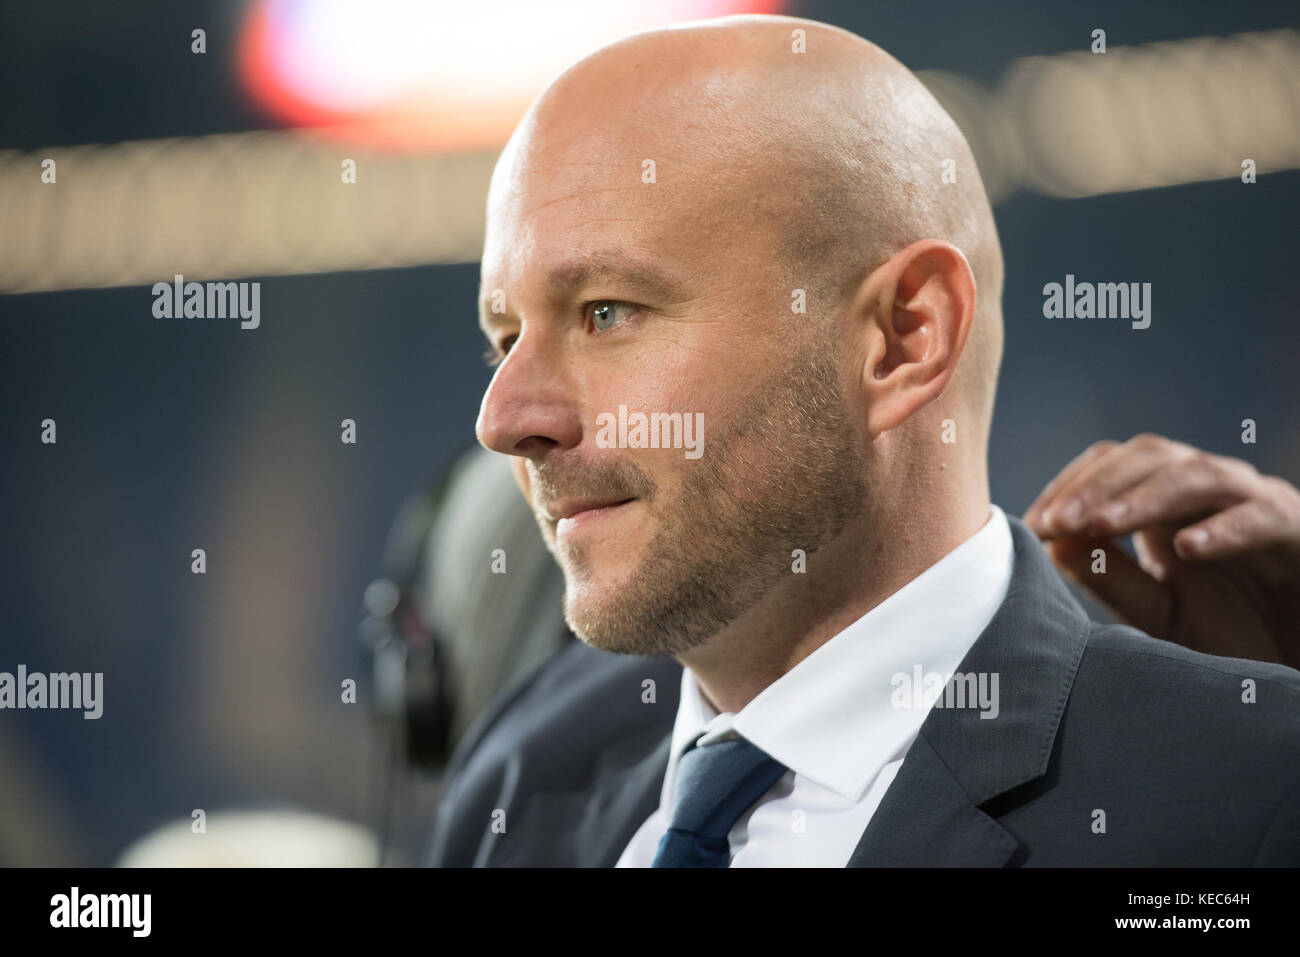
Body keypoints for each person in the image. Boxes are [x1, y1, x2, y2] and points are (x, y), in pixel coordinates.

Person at [426, 14, 1300, 866]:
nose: (503, 420)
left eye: (606, 312)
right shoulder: (521, 769)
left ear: (903, 337)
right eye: (506, 338)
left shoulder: (1243, 794)